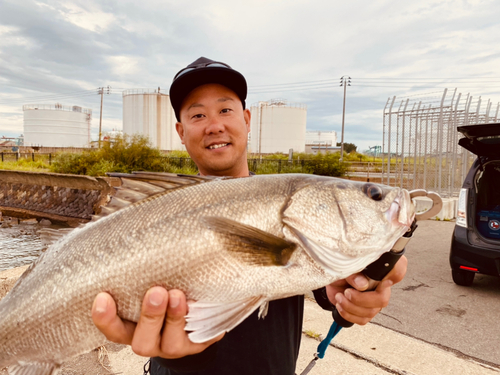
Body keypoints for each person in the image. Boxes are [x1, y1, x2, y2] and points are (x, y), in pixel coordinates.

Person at [91, 57, 407, 374]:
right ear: (181, 132)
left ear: (246, 119)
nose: (214, 125)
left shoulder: (289, 207)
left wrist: (356, 286)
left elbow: (322, 282)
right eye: (198, 114)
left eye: (225, 110)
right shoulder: (156, 210)